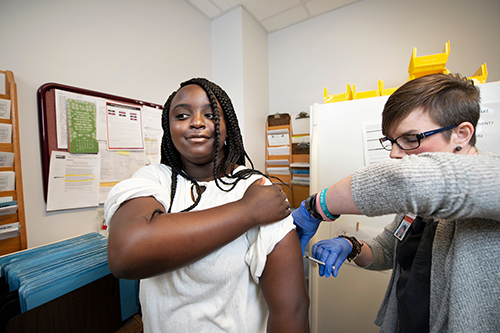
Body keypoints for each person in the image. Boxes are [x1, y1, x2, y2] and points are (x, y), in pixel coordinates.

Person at [292, 73, 500, 332]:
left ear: (461, 134)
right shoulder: (418, 205)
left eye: (411, 138)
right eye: (391, 141)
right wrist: (351, 246)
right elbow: (387, 251)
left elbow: (411, 181)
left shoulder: (494, 177)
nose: (394, 153)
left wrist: (316, 207)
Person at [104, 78, 309, 332]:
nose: (197, 122)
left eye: (210, 114)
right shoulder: (154, 179)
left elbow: (292, 310)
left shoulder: (255, 188)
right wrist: (247, 211)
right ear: (169, 129)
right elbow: (126, 254)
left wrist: (252, 204)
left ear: (227, 127)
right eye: (182, 115)